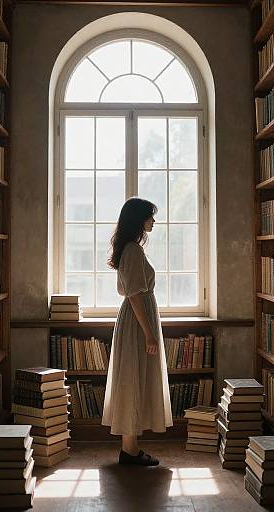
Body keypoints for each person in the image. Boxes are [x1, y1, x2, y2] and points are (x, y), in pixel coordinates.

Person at [101, 197, 173, 466]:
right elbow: (133, 295)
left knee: (135, 378)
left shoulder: (131, 249)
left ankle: (130, 448)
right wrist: (149, 333)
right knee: (132, 378)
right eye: (149, 216)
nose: (153, 221)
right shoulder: (132, 250)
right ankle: (129, 451)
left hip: (138, 320)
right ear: (139, 220)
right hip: (136, 322)